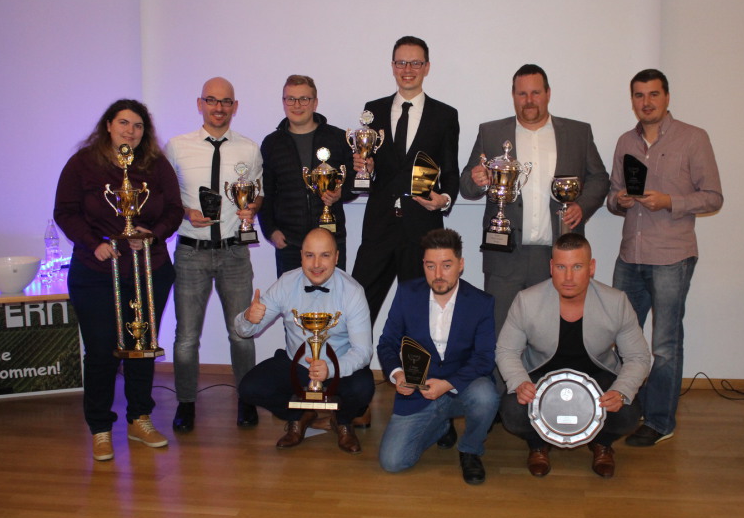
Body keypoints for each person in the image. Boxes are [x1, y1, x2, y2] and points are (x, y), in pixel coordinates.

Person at [54, 99, 183, 461]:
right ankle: (100, 427)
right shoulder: (82, 164)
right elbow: (65, 211)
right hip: (96, 272)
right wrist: (92, 243)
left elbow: (174, 210)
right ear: (108, 125)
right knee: (101, 352)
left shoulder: (156, 165)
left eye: (138, 125)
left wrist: (153, 235)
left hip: (149, 269)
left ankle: (139, 419)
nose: (131, 131)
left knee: (141, 347)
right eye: (124, 123)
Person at [607, 68, 723, 447]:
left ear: (667, 97)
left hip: (672, 256)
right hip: (630, 255)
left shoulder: (693, 138)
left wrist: (670, 201)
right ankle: (628, 411)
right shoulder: (625, 141)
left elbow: (713, 197)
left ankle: (660, 421)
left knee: (665, 345)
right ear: (632, 100)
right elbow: (613, 196)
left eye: (653, 94)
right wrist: (619, 200)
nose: (646, 102)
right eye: (639, 95)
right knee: (623, 339)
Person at [460, 64, 609, 343]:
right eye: (522, 94)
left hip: (557, 257)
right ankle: (502, 375)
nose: (529, 100)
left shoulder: (578, 133)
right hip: (504, 256)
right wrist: (477, 179)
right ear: (513, 95)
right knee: (501, 336)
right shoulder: (491, 133)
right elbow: (467, 186)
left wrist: (582, 206)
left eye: (535, 93)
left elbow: (600, 178)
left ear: (548, 93)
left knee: (552, 337)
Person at [496, 233, 650, 478]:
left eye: (577, 267)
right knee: (512, 411)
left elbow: (638, 357)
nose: (568, 277)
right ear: (551, 267)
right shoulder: (527, 301)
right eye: (561, 267)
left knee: (628, 413)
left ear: (591, 267)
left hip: (597, 375)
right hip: (541, 374)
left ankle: (602, 443)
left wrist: (621, 390)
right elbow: (506, 350)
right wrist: (519, 382)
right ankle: (538, 444)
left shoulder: (616, 302)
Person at [164, 77, 264, 433]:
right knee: (186, 338)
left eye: (225, 102)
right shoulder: (176, 147)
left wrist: (252, 207)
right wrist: (184, 212)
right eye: (211, 100)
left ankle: (246, 399)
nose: (218, 108)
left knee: (241, 333)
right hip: (191, 254)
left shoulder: (249, 149)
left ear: (235, 106)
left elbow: (258, 193)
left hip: (234, 253)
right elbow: (163, 197)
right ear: (200, 104)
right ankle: (186, 402)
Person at [235, 228, 374, 453]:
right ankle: (300, 416)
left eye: (325, 255)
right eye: (310, 255)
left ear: (336, 257)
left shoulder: (353, 291)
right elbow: (245, 330)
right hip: (297, 365)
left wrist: (330, 369)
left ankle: (342, 421)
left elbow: (363, 351)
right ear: (301, 256)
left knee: (363, 387)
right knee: (249, 388)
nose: (316, 264)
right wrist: (248, 318)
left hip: (338, 367)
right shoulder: (286, 283)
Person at [352, 36, 460, 326]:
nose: (407, 69)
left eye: (415, 63)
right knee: (358, 307)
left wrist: (444, 200)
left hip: (422, 228)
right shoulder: (372, 111)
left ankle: (413, 360)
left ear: (427, 67)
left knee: (418, 313)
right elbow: (368, 167)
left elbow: (450, 171)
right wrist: (365, 168)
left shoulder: (445, 115)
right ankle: (354, 358)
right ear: (392, 66)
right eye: (401, 62)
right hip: (379, 226)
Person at [377, 229, 499, 485]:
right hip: (419, 390)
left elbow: (484, 358)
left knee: (486, 396)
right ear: (423, 264)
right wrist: (397, 374)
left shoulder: (481, 302)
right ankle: (442, 425)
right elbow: (387, 342)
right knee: (393, 462)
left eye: (447, 265)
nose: (438, 274)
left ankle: (470, 450)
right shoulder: (407, 294)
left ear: (461, 264)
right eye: (430, 266)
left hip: (462, 387)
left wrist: (448, 384)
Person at [258, 75, 356, 277]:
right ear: (283, 102)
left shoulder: (338, 138)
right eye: (291, 99)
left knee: (335, 295)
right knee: (290, 297)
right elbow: (265, 191)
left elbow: (356, 180)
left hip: (331, 239)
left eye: (304, 99)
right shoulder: (272, 143)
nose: (297, 105)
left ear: (315, 102)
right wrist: (270, 230)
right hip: (289, 242)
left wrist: (341, 193)